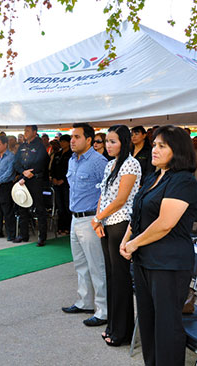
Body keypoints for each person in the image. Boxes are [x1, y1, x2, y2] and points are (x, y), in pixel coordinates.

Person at [120, 125, 197, 365]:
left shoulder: (184, 181)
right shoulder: (154, 176)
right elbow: (139, 213)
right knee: (148, 323)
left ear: (178, 150)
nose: (154, 149)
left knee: (166, 326)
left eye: (161, 145)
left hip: (168, 264)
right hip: (145, 261)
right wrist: (126, 239)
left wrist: (133, 244)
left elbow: (165, 223)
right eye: (154, 144)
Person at [91, 125, 141, 346]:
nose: (108, 146)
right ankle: (113, 324)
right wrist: (98, 219)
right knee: (111, 276)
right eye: (106, 141)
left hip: (122, 225)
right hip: (107, 223)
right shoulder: (110, 164)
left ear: (123, 142)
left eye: (113, 141)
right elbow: (103, 193)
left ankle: (122, 331)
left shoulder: (131, 164)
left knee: (120, 278)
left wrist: (98, 217)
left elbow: (121, 199)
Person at [61, 123, 108, 327]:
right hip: (75, 218)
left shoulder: (99, 162)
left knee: (97, 266)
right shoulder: (73, 160)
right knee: (80, 264)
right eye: (72, 136)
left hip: (91, 219)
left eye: (77, 137)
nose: (72, 140)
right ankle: (85, 302)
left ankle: (103, 310)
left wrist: (99, 219)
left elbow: (107, 193)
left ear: (89, 140)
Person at [13, 125, 49, 245]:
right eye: (24, 130)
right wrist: (23, 172)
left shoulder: (39, 146)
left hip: (35, 180)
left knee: (39, 208)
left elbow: (42, 161)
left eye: (28, 131)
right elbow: (16, 162)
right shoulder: (23, 146)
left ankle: (42, 237)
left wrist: (31, 172)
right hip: (23, 179)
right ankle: (24, 235)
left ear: (35, 132)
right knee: (22, 206)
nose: (25, 133)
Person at [50, 134, 72, 235]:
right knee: (59, 206)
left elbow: (70, 169)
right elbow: (53, 167)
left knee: (67, 205)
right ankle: (61, 226)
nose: (62, 143)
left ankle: (68, 227)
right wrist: (53, 178)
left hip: (66, 184)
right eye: (61, 142)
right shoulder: (57, 154)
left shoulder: (71, 154)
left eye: (64, 141)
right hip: (56, 183)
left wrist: (63, 179)